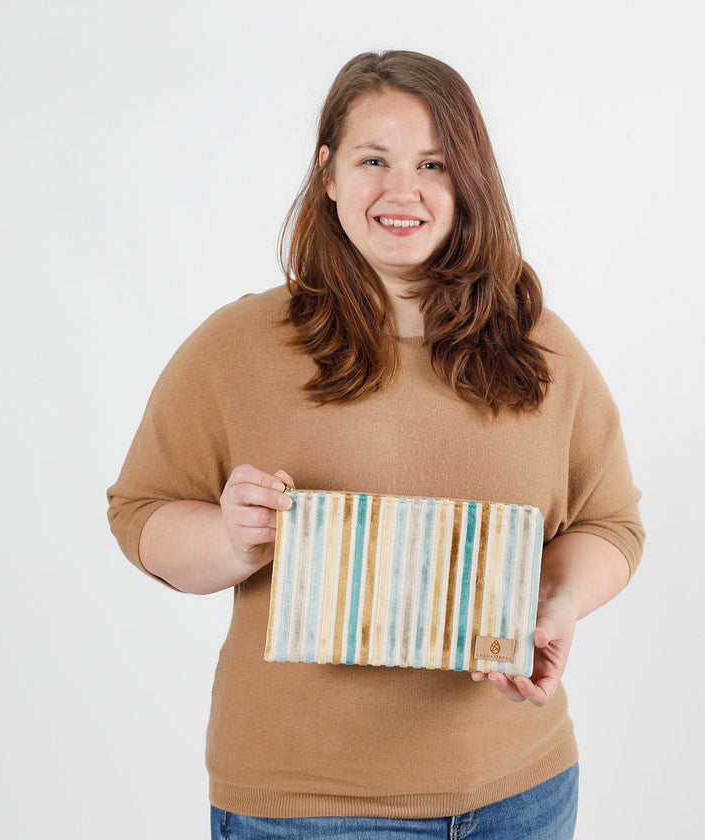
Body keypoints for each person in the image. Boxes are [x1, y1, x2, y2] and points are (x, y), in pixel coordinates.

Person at [107, 50, 644, 840]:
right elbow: (139, 517)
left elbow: (610, 523)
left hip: (522, 791)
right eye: (374, 160)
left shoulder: (541, 348)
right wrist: (230, 538)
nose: (404, 191)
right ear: (327, 173)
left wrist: (556, 605)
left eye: (433, 162)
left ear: (469, 179)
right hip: (310, 809)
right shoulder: (236, 348)